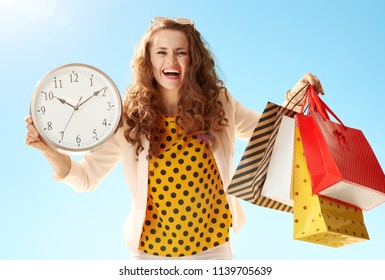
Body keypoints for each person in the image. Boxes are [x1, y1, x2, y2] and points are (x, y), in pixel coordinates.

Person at [25, 17, 324, 260]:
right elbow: (86, 177)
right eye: (162, 52)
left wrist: (295, 96)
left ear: (193, 60)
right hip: (149, 255)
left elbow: (269, 132)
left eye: (181, 52)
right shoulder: (128, 117)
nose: (172, 60)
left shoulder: (219, 102)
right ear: (149, 61)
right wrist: (47, 150)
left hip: (213, 249)